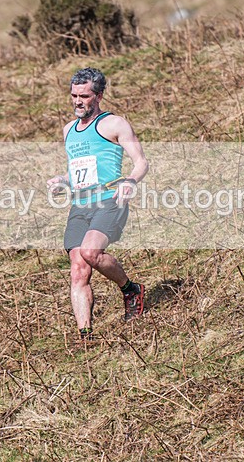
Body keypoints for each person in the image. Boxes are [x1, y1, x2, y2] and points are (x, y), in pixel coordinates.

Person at [47, 68, 149, 341]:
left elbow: (141, 162)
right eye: (73, 95)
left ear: (99, 96)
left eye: (84, 96)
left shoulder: (114, 124)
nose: (78, 101)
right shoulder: (69, 130)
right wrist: (62, 181)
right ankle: (85, 336)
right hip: (80, 204)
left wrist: (130, 181)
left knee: (91, 252)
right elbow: (80, 170)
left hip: (109, 198)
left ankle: (130, 289)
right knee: (78, 269)